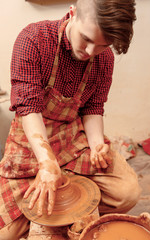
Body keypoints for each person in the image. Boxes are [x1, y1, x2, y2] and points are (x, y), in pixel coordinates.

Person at [0, 0, 141, 239]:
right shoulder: (33, 39)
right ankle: (58, 211)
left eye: (102, 45)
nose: (89, 52)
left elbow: (93, 108)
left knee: (127, 192)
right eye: (85, 39)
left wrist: (97, 145)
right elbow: (28, 109)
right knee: (5, 231)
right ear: (72, 13)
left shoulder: (103, 59)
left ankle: (73, 205)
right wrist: (47, 163)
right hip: (31, 140)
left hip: (72, 140)